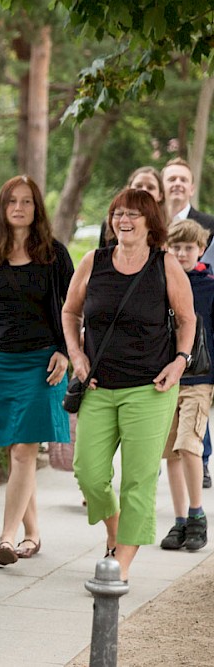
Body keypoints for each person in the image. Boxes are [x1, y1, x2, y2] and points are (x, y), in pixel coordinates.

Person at [62, 188, 196, 582]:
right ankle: (118, 534)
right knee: (88, 472)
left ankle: (118, 568)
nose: (124, 220)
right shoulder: (93, 262)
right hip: (98, 387)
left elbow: (187, 320)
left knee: (138, 480)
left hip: (150, 389)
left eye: (134, 215)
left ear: (150, 223)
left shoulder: (165, 265)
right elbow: (70, 311)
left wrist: (180, 362)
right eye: (118, 213)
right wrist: (77, 355)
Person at [0, 175, 74, 566]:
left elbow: (73, 306)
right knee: (16, 451)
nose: (18, 208)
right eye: (12, 201)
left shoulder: (54, 254)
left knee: (25, 450)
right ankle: (33, 533)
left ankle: (6, 538)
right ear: (2, 207)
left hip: (42, 363)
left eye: (26, 201)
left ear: (36, 208)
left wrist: (65, 351)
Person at [159, 218, 214, 552]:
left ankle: (197, 515)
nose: (181, 253)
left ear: (201, 249)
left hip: (200, 377)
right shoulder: (160, 282)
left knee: (189, 445)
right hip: (167, 379)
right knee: (171, 453)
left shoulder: (209, 284)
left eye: (188, 248)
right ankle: (179, 520)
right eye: (175, 247)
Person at [162, 157, 214, 487]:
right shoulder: (152, 222)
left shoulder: (207, 224)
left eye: (183, 179)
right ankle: (183, 514)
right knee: (171, 448)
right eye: (172, 179)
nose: (178, 185)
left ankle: (201, 471)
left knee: (190, 442)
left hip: (200, 367)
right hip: (164, 366)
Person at [98, 166, 166, 247]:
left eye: (150, 187)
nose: (143, 190)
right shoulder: (110, 223)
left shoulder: (168, 225)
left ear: (160, 195)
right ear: (128, 189)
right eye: (138, 186)